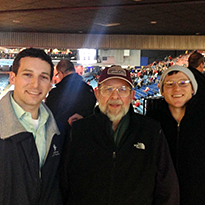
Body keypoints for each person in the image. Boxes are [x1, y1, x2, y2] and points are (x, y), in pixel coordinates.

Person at [60, 65, 179, 205]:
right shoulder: (79, 130)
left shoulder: (151, 131)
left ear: (132, 96)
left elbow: (167, 187)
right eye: (108, 89)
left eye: (123, 90)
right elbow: (63, 184)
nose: (115, 96)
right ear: (97, 93)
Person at [0, 48, 66, 204]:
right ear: (12, 78)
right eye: (27, 75)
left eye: (43, 77)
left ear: (50, 84)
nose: (35, 84)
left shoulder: (59, 131)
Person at [146, 65, 205, 204]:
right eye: (170, 84)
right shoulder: (151, 124)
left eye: (183, 83)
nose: (176, 88)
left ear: (192, 89)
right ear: (162, 91)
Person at [45, 59, 96, 126]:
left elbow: (48, 115)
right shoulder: (88, 89)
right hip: (85, 131)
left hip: (62, 133)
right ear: (74, 70)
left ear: (60, 73)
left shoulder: (55, 93)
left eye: (57, 75)